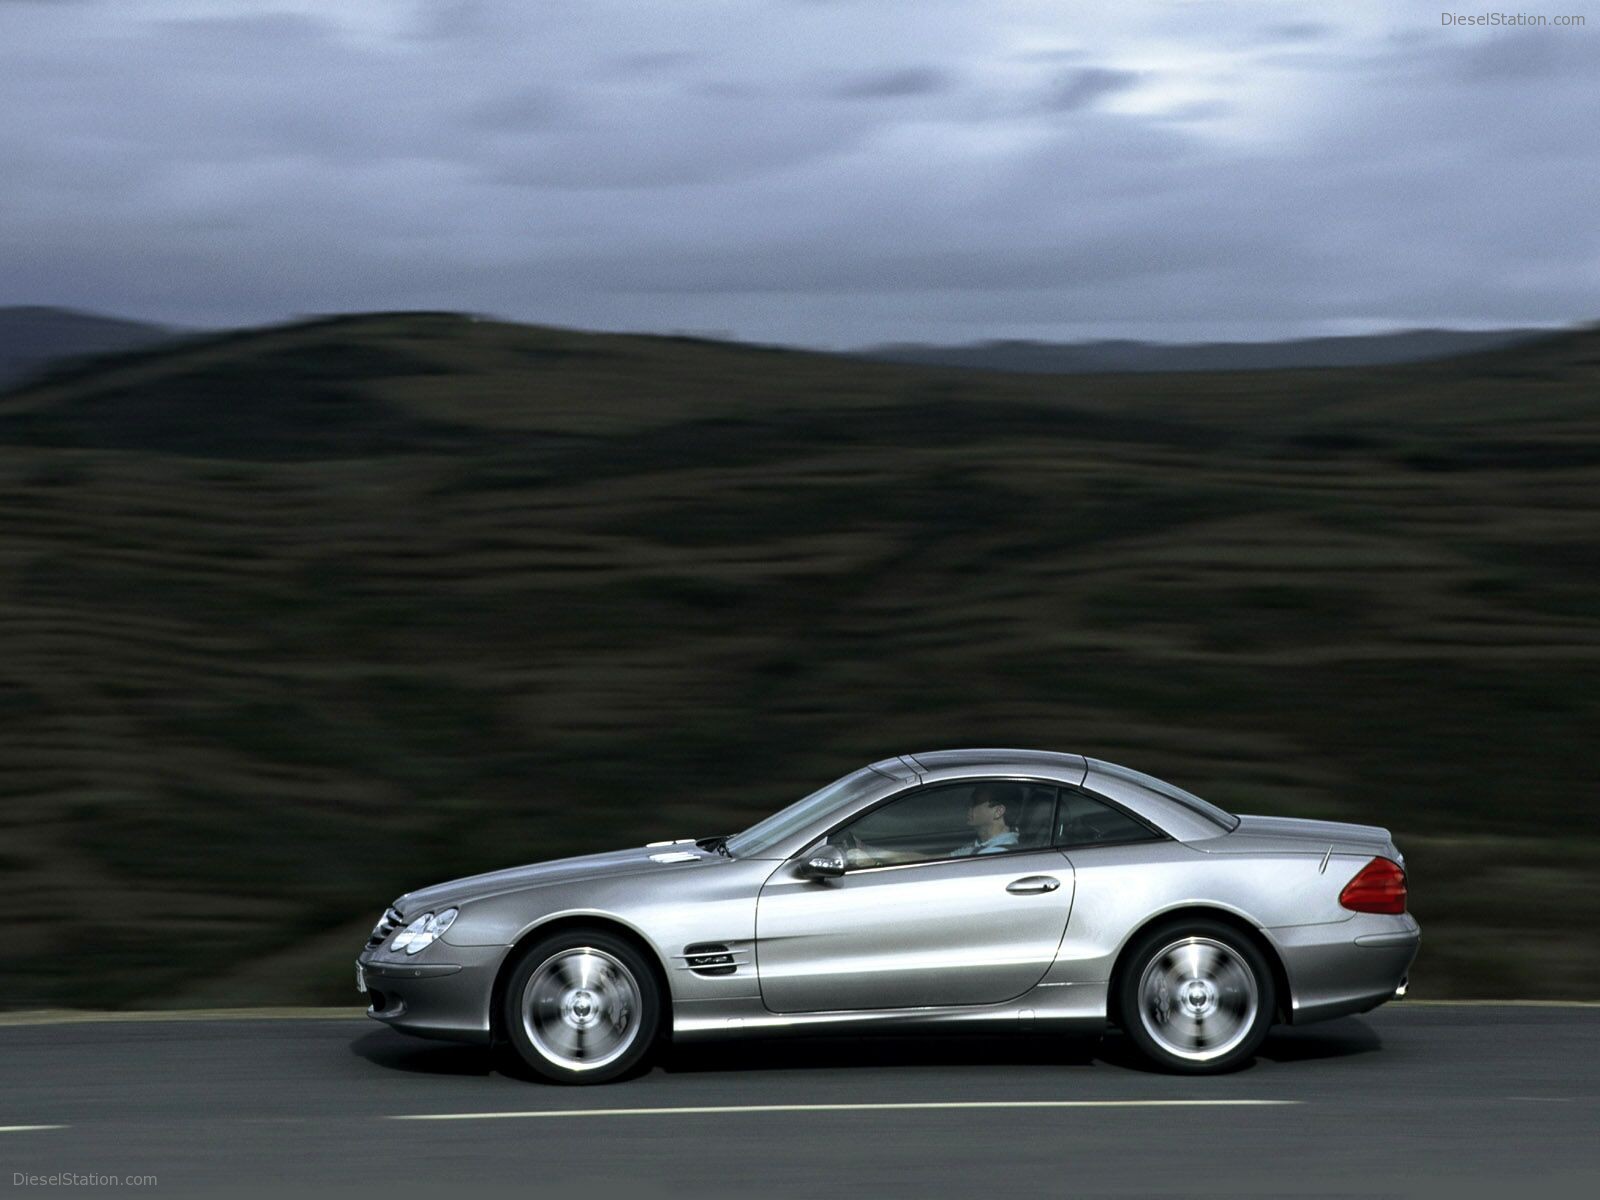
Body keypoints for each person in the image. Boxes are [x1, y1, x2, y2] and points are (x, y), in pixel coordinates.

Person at [951, 783, 1021, 856]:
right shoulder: (983, 845)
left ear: (998, 811)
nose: (968, 807)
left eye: (976, 802)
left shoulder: (994, 853)